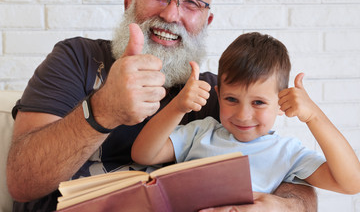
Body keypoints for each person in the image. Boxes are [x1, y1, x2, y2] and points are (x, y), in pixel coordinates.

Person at [6, 0, 318, 211]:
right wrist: (102, 111)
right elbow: (22, 182)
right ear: (130, 2)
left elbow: (292, 177)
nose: (170, 15)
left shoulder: (221, 97)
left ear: (206, 22)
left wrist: (285, 205)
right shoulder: (77, 58)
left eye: (192, 2)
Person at [132, 32, 360, 196]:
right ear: (218, 95)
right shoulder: (201, 133)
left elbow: (351, 183)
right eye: (232, 99)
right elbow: (143, 155)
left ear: (281, 103)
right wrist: (178, 107)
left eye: (258, 102)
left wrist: (314, 117)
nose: (243, 115)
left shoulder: (287, 153)